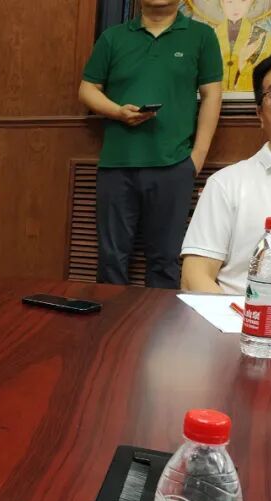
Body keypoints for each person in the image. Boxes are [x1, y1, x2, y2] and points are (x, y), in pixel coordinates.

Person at [79, 0, 224, 288]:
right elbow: (87, 89)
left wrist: (196, 157)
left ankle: (161, 319)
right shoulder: (112, 37)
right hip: (116, 164)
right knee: (111, 259)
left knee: (165, 260)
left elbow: (212, 95)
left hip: (174, 164)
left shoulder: (202, 36)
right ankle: (111, 318)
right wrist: (117, 112)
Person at [181, 45, 271, 299]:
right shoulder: (227, 183)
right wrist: (239, 319)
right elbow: (195, 276)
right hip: (241, 317)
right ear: (260, 114)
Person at [215, 0, 271, 92]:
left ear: (251, 2)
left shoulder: (265, 39)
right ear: (221, 3)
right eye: (229, 1)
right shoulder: (208, 36)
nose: (236, 7)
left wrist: (243, 65)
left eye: (243, 1)